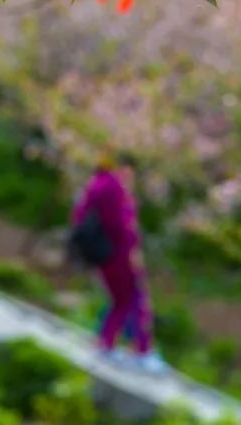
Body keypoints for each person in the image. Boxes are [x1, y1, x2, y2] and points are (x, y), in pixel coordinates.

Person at [71, 158, 167, 373]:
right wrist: (132, 251)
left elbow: (79, 216)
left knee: (121, 301)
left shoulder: (95, 184)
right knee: (135, 300)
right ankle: (141, 350)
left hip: (103, 253)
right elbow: (119, 226)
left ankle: (108, 343)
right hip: (118, 255)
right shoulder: (114, 188)